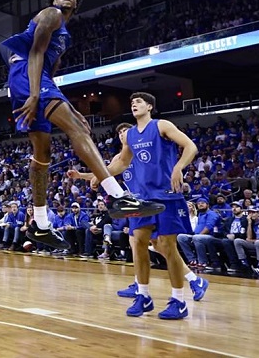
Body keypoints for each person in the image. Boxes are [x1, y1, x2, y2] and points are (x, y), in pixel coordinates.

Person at [0, 0, 164, 250]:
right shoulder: (51, 14)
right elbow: (37, 54)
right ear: (54, 0)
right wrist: (34, 94)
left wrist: (65, 103)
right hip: (27, 76)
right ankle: (117, 196)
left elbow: (50, 72)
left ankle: (39, 224)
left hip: (35, 80)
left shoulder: (64, 36)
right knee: (77, 130)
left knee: (42, 155)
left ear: (76, 3)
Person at [84, 93, 207, 319]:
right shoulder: (130, 134)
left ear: (150, 106)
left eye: (139, 101)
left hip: (166, 195)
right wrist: (100, 175)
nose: (134, 104)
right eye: (132, 102)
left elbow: (190, 146)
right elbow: (122, 162)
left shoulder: (162, 125)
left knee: (167, 247)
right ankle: (143, 295)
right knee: (138, 242)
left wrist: (178, 167)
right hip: (141, 198)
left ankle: (179, 300)